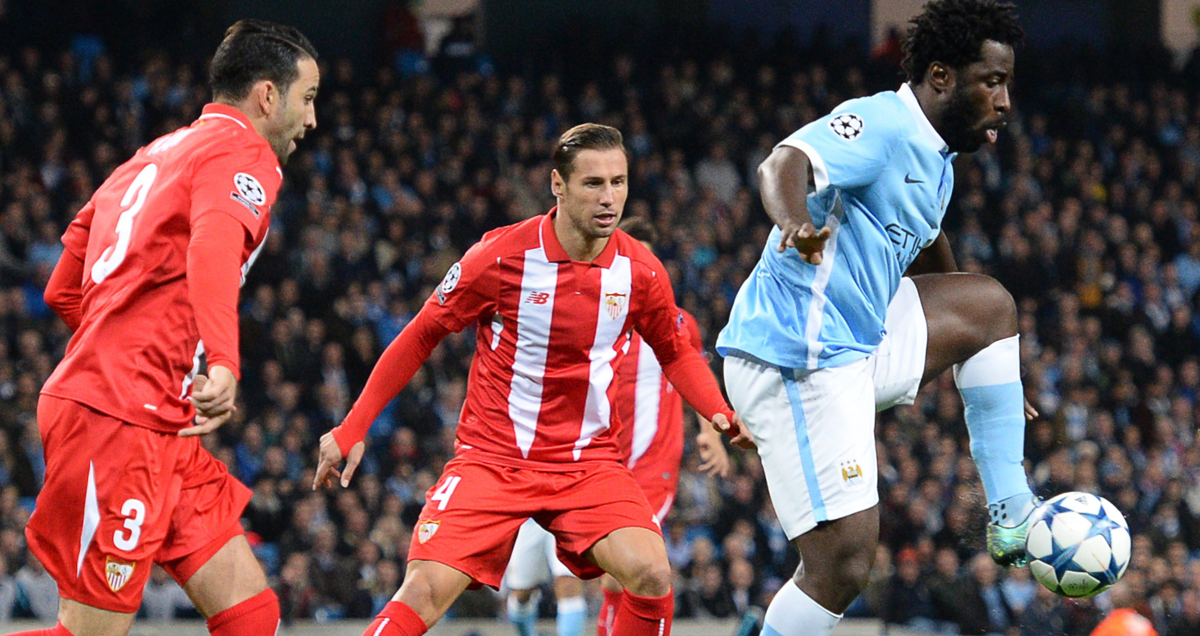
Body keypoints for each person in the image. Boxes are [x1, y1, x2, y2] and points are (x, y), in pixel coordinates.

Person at [314, 123, 743, 636]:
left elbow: (676, 352)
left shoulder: (641, 270)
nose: (610, 198)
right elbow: (420, 335)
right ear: (557, 185)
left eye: (619, 182)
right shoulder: (499, 258)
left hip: (586, 463)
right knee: (424, 591)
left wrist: (718, 412)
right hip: (493, 458)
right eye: (593, 184)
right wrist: (354, 425)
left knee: (651, 571)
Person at [716, 1, 1034, 635]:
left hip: (857, 343)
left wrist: (980, 360)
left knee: (989, 307)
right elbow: (783, 165)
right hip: (797, 358)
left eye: (1008, 84)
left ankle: (1012, 509)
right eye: (992, 82)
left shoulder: (936, 153)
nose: (1004, 101)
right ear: (941, 77)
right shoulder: (882, 124)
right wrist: (795, 222)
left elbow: (927, 246)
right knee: (844, 566)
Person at [19, 19, 318, 636]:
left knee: (250, 615)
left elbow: (61, 288)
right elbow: (210, 250)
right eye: (308, 98)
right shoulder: (244, 154)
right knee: (92, 630)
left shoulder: (151, 155)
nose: (311, 120)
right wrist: (224, 364)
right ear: (268, 96)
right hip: (119, 422)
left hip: (154, 420)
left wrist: (127, 346)